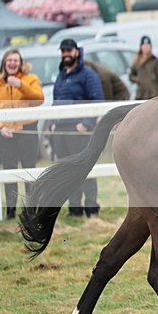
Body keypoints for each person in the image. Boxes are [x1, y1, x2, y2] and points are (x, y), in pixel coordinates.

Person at [0, 49, 44, 219]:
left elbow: (38, 98)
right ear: (4, 63)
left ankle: (31, 210)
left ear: (20, 62)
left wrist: (19, 84)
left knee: (29, 170)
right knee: (8, 170)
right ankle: (10, 210)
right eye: (9, 60)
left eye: (15, 60)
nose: (12, 63)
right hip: (5, 134)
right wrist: (1, 126)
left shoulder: (30, 79)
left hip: (27, 130)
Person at [50, 39, 104, 218]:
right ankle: (74, 208)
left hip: (79, 130)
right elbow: (56, 100)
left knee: (84, 168)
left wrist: (86, 124)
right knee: (67, 170)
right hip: (61, 130)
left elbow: (97, 100)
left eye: (69, 50)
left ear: (76, 52)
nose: (66, 54)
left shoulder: (88, 75)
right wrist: (53, 121)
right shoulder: (61, 75)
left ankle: (91, 207)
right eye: (63, 51)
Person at [129, 35, 158, 100]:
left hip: (153, 94)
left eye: (148, 45)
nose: (146, 47)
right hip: (140, 95)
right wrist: (138, 79)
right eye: (144, 45)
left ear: (150, 47)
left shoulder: (155, 61)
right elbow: (131, 76)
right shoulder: (137, 61)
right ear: (141, 47)